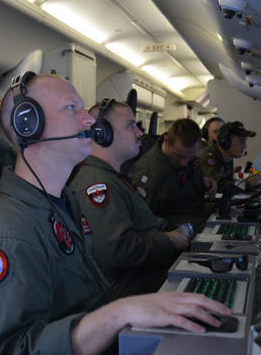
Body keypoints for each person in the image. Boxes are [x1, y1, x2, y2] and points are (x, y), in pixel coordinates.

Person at [0, 74, 231, 355]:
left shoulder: (62, 203)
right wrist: (119, 313)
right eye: (71, 108)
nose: (89, 120)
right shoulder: (7, 233)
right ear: (29, 124)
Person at [68, 98, 189, 300]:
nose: (139, 133)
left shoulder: (112, 178)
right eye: (130, 125)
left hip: (140, 283)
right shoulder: (97, 185)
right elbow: (119, 250)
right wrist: (169, 241)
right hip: (126, 294)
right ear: (102, 133)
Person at [128, 118, 217, 231]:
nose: (184, 163)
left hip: (196, 214)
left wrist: (202, 180)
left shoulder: (183, 152)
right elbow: (142, 220)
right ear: (166, 140)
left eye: (190, 157)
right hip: (173, 229)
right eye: (178, 156)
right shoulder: (150, 173)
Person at [197, 121, 257, 192]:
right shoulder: (206, 157)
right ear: (225, 142)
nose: (245, 146)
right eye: (240, 141)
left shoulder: (227, 157)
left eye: (245, 141)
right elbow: (220, 185)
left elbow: (228, 182)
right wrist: (248, 184)